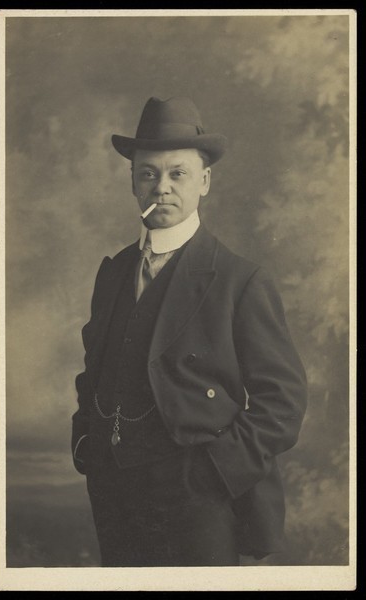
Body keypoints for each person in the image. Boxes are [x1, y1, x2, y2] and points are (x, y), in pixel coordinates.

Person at [71, 96, 307, 567]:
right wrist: (85, 443)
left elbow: (282, 403)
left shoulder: (240, 281)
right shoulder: (115, 272)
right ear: (133, 182)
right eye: (148, 174)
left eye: (177, 174)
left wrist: (214, 473)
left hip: (197, 501)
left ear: (204, 181)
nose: (162, 188)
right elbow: (93, 371)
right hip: (114, 492)